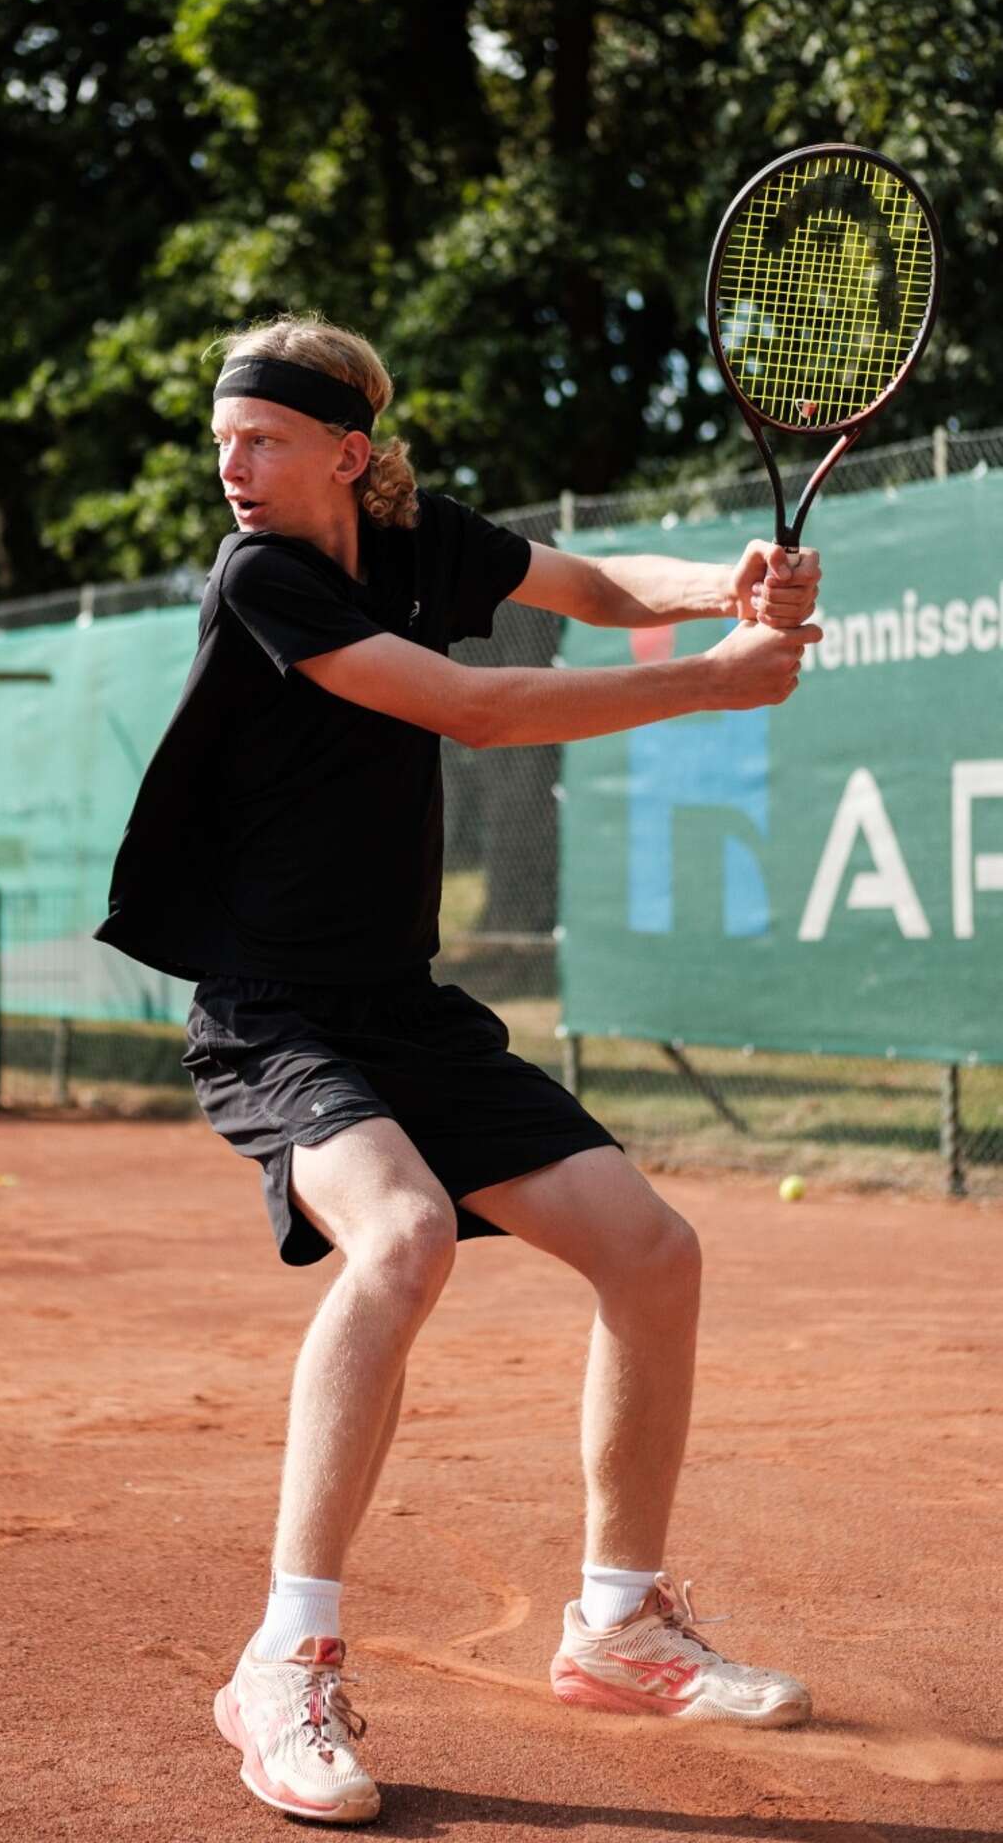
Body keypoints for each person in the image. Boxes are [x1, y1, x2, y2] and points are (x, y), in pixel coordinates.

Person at [96, 314, 822, 1826]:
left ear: (348, 453)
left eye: (263, 439)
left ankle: (619, 1626)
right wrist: (713, 680)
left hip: (401, 1007)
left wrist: (727, 584)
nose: (232, 466)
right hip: (273, 1014)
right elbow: (479, 710)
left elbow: (594, 587)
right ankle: (285, 1661)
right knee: (405, 1234)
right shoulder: (262, 577)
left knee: (652, 1251)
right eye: (224, 441)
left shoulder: (423, 538)